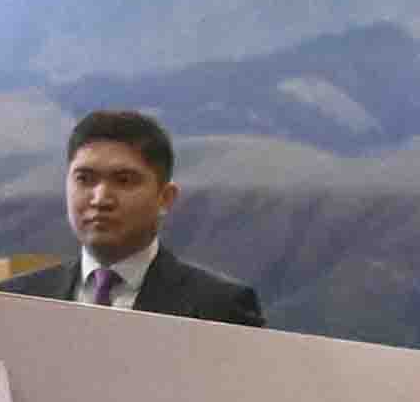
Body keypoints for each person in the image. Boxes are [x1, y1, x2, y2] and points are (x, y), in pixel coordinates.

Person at [41, 109, 262, 323]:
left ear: (165, 197)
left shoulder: (221, 307)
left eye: (124, 181)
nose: (100, 199)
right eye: (84, 179)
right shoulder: (24, 296)